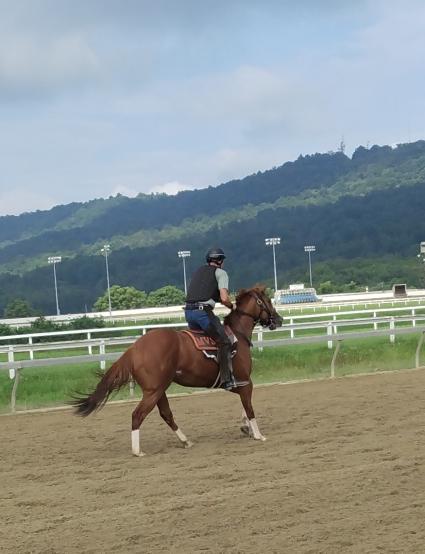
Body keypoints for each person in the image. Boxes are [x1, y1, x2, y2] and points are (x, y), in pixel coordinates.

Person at [184, 247, 245, 390]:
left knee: (204, 342)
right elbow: (224, 298)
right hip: (202, 315)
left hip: (188, 313)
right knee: (224, 341)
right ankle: (226, 379)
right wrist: (233, 307)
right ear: (220, 261)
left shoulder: (198, 271)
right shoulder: (221, 273)